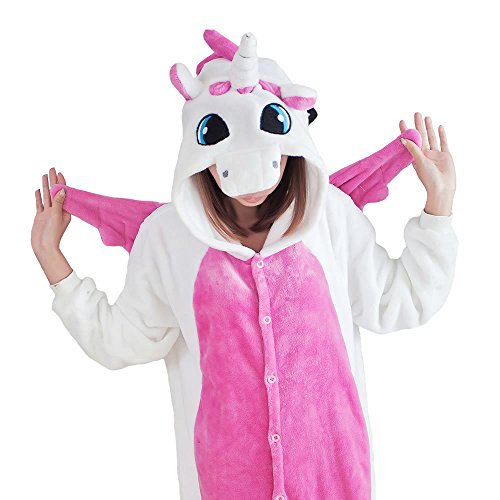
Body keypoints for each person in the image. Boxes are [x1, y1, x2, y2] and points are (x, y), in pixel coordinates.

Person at [31, 30, 457, 500]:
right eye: (230, 164)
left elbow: (399, 301)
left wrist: (438, 208)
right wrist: (53, 261)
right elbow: (122, 340)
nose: (252, 183)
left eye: (267, 160)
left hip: (334, 482)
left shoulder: (329, 217)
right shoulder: (170, 237)